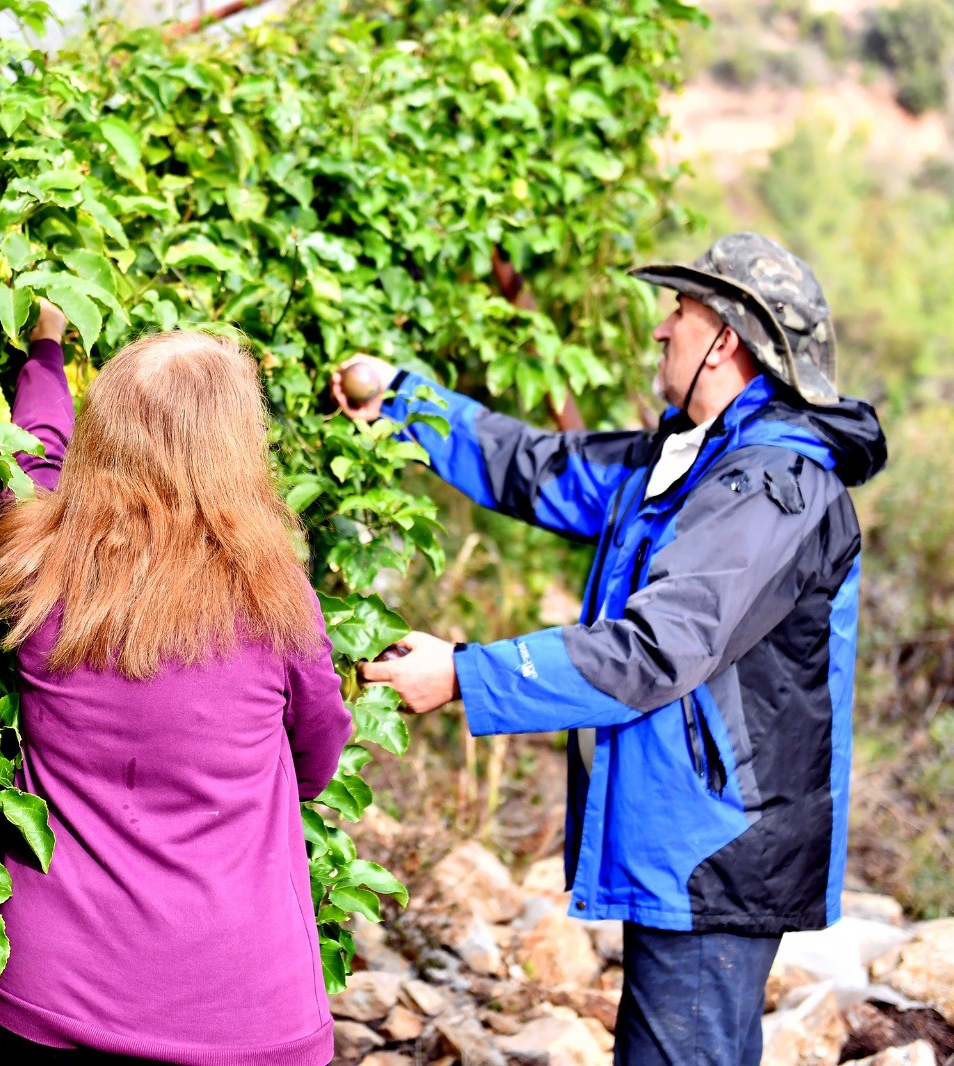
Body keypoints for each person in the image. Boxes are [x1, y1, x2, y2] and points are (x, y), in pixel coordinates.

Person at [334, 234, 887, 1065]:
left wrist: (462, 673)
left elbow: (652, 650)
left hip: (718, 856)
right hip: (691, 846)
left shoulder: (773, 487)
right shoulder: (689, 461)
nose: (664, 331)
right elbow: (537, 468)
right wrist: (403, 400)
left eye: (681, 313)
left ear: (726, 340)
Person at [0, 305, 353, 1066]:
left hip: (51, 992)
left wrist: (46, 353)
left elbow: (32, 458)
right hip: (240, 1007)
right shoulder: (273, 598)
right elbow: (317, 761)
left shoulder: (37, 567)